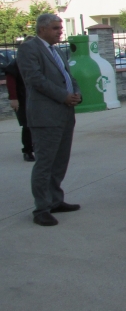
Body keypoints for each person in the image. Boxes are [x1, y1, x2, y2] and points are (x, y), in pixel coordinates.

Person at [16, 14, 82, 226]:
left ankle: (55, 200)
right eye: (55, 28)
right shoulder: (29, 49)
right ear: (42, 29)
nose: (59, 31)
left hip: (65, 114)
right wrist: (63, 96)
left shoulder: (57, 51)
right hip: (46, 116)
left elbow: (67, 77)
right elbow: (35, 79)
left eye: (60, 28)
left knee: (60, 161)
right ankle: (41, 208)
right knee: (45, 162)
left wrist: (77, 93)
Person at [4, 57, 35, 161]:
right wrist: (13, 98)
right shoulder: (15, 63)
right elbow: (10, 81)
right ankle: (28, 151)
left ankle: (39, 148)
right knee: (27, 125)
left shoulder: (37, 59)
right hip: (23, 98)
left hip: (37, 97)